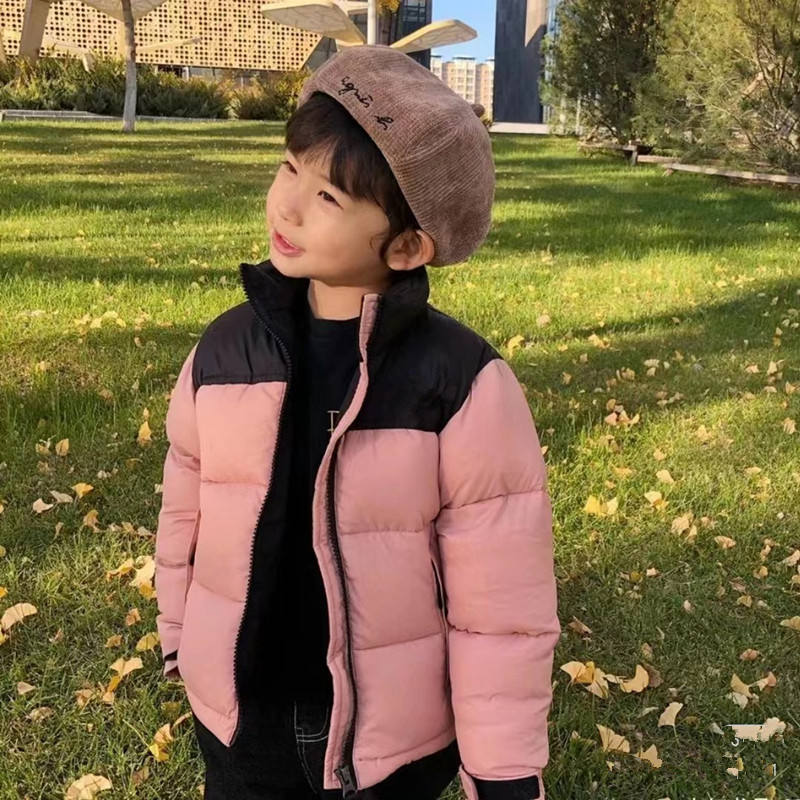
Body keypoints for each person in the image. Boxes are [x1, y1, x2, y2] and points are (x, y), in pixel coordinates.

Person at [153, 44, 560, 800]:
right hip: (242, 723)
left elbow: (502, 601)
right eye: (288, 169)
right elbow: (187, 507)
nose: (287, 206)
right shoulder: (223, 352)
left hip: (390, 744)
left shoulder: (460, 384)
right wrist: (181, 635)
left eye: (329, 198)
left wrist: (502, 769)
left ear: (407, 245)